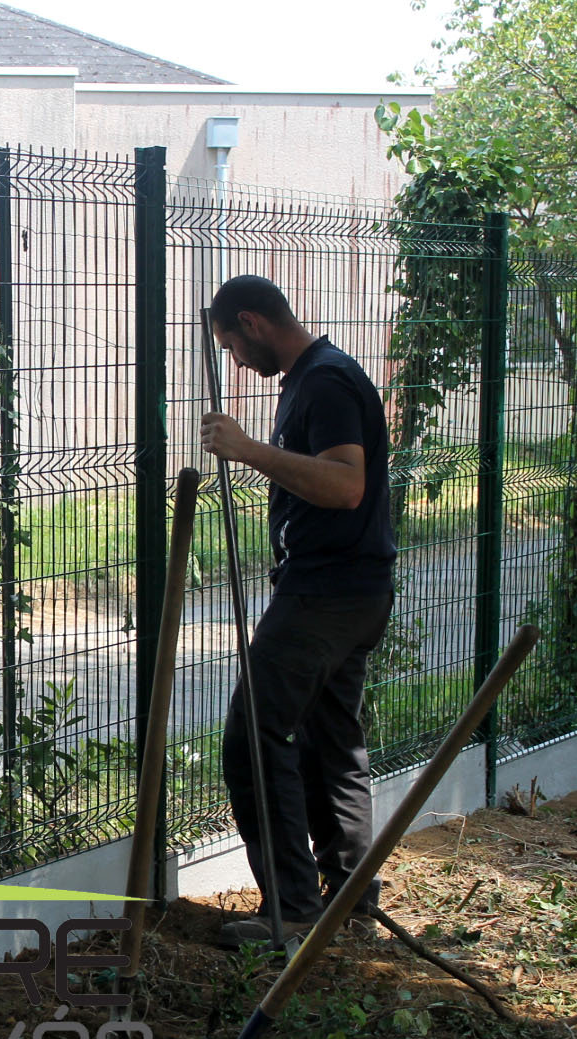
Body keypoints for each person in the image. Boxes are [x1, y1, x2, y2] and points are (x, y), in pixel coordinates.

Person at [198, 275, 396, 948]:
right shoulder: (315, 380)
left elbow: (345, 486)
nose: (233, 360)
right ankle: (347, 899)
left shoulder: (326, 382)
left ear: (251, 323)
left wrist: (249, 450)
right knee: (330, 744)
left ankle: (292, 913)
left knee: (254, 734)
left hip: (325, 596)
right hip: (353, 592)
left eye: (230, 344)